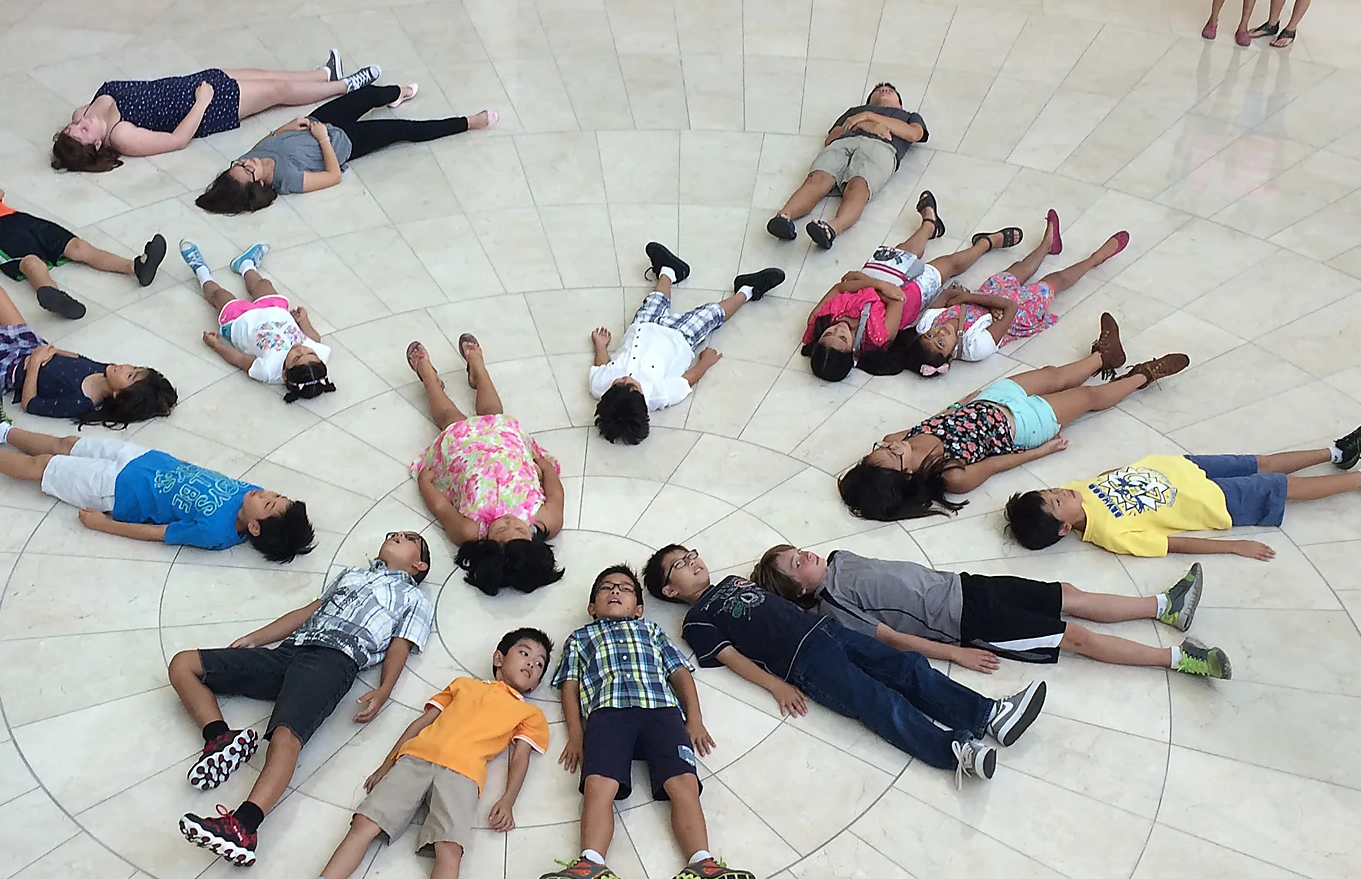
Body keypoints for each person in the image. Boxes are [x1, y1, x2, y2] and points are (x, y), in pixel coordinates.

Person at [256, 627, 552, 879]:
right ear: (499, 658)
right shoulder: (462, 685)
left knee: (450, 846)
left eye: (541, 664)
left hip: (465, 775)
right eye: (525, 653)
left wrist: (508, 800)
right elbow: (421, 722)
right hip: (415, 759)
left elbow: (520, 758)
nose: (532, 664)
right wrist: (387, 763)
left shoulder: (531, 715)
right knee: (365, 823)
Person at [646, 546, 1043, 784]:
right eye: (681, 563)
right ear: (669, 589)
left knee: (909, 667)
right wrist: (775, 686)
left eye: (692, 554)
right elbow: (730, 658)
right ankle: (954, 751)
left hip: (827, 629)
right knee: (878, 701)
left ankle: (990, 714)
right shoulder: (696, 621)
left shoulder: (733, 580)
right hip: (804, 662)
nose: (694, 561)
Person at [173, 531, 434, 869]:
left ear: (419, 564)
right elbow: (308, 611)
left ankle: (244, 826)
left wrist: (383, 691)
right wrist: (258, 637)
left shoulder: (414, 599)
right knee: (184, 664)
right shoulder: (351, 574)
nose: (395, 535)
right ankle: (219, 738)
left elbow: (400, 644)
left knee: (286, 736)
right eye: (392, 533)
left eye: (408, 538)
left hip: (333, 660)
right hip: (288, 652)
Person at [535, 564, 756, 879]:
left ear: (638, 608)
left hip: (662, 712)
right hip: (607, 713)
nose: (615, 592)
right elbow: (570, 686)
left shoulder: (650, 631)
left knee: (683, 782)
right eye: (606, 588)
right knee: (598, 785)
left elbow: (680, 673)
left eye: (625, 589)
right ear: (592, 607)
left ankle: (702, 864)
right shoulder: (580, 638)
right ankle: (591, 864)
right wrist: (575, 735)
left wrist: (694, 720)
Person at [838, 326, 1180, 522]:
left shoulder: (898, 437)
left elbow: (940, 416)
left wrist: (971, 397)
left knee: (1053, 374)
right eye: (891, 455)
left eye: (881, 448)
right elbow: (998, 463)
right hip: (1023, 426)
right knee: (1087, 398)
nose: (890, 445)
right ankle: (1142, 376)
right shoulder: (951, 477)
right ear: (906, 476)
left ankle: (1104, 357)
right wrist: (1043, 450)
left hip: (991, 399)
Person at [753, 543, 1231, 680]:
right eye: (797, 563)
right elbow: (891, 638)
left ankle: (1166, 605)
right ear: (796, 588)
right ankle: (1180, 661)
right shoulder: (833, 607)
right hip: (968, 622)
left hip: (968, 587)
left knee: (1066, 592)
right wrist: (953, 654)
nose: (806, 556)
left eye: (799, 550)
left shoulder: (839, 559)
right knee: (1072, 637)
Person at [0, 397, 313, 558]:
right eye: (275, 494)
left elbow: (156, 534)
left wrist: (102, 524)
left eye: (269, 502)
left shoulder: (216, 534)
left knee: (43, 466)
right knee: (66, 443)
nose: (265, 492)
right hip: (142, 459)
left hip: (115, 491)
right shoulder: (250, 496)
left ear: (257, 529)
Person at [1005, 425, 1361, 562]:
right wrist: (1232, 547)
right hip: (1214, 502)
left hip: (1185, 467)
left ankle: (1337, 452)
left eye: (1051, 490)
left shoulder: (1075, 491)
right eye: (1057, 501)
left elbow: (1109, 476)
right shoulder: (1110, 536)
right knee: (1284, 488)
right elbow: (1172, 544)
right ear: (1063, 529)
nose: (1061, 491)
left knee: (1260, 462)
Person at [869, 211, 1132, 378]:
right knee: (1055, 281)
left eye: (930, 335)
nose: (939, 333)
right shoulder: (976, 347)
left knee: (1018, 269)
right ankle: (1094, 259)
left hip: (989, 297)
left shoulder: (928, 323)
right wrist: (967, 299)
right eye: (941, 343)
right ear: (950, 356)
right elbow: (1010, 309)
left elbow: (949, 292)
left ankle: (1046, 246)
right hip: (1019, 314)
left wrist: (964, 299)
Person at [0, 282, 177, 429]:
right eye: (134, 367)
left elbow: (29, 404)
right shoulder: (104, 370)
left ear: (118, 395)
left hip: (8, 367)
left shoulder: (80, 401)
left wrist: (36, 366)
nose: (123, 365)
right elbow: (75, 357)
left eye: (129, 374)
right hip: (31, 347)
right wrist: (50, 351)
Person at [406, 335, 565, 596]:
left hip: (466, 456)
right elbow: (556, 493)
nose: (510, 522)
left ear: (487, 544)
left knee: (451, 420)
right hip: (506, 448)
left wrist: (426, 484)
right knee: (494, 414)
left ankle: (429, 378)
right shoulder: (546, 521)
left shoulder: (469, 531)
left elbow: (441, 507)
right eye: (519, 529)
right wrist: (546, 469)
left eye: (502, 530)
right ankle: (477, 367)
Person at [803, 194, 1021, 381]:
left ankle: (929, 225)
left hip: (875, 282)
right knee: (948, 264)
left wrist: (869, 283)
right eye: (843, 338)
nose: (838, 329)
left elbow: (838, 288)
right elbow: (896, 298)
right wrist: (865, 282)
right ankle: (986, 243)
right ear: (852, 352)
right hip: (907, 297)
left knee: (904, 250)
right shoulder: (878, 337)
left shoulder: (817, 321)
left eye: (829, 333)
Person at [590, 241, 785, 445]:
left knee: (655, 300)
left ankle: (669, 271)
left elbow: (602, 366)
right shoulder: (660, 395)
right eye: (630, 384)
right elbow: (687, 379)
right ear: (642, 400)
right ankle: (747, 291)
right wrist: (705, 363)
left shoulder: (599, 385)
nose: (624, 378)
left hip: (642, 326)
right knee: (710, 314)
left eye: (618, 383)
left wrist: (601, 346)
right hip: (680, 337)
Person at [50, 53, 380, 173]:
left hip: (191, 84)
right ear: (95, 145)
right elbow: (177, 140)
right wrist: (203, 102)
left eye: (72, 127)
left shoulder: (85, 111)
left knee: (265, 75)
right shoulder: (121, 135)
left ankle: (323, 74)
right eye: (81, 133)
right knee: (276, 92)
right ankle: (345, 86)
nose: (80, 123)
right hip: (206, 105)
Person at [198, 84, 497, 214]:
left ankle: (398, 93)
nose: (248, 161)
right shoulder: (287, 179)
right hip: (345, 142)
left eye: (240, 163)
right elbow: (332, 177)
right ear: (258, 184)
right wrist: (323, 139)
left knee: (368, 95)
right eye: (248, 169)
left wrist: (292, 125)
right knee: (406, 130)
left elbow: (271, 136)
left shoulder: (253, 157)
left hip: (320, 121)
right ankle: (468, 122)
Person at [0, 184, 166, 320]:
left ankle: (136, 266)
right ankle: (50, 293)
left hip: (20, 219)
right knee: (30, 261)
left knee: (78, 247)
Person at [765, 81, 929, 249]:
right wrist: (867, 123)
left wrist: (869, 116)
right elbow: (832, 137)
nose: (884, 90)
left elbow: (913, 133)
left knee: (859, 187)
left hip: (882, 148)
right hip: (843, 143)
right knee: (817, 178)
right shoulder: (854, 112)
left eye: (890, 90)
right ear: (869, 100)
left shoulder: (909, 116)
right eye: (878, 90)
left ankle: (832, 229)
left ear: (900, 104)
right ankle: (784, 216)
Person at [179, 240, 334, 403]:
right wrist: (304, 321)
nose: (301, 349)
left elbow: (239, 360)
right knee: (262, 284)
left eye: (296, 358)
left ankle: (200, 270)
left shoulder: (268, 370)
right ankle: (246, 264)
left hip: (240, 322)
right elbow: (314, 339)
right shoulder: (321, 354)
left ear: (284, 374)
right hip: (275, 310)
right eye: (310, 352)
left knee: (219, 295)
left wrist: (216, 345)